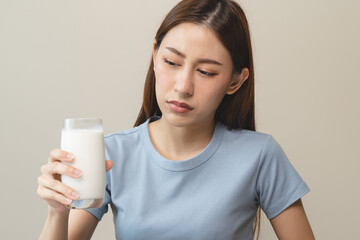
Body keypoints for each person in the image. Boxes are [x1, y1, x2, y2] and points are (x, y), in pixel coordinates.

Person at [37, 0, 315, 239]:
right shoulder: (111, 154)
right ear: (155, 56)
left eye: (206, 71)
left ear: (235, 81)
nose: (183, 86)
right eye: (172, 62)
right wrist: (56, 210)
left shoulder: (261, 156)